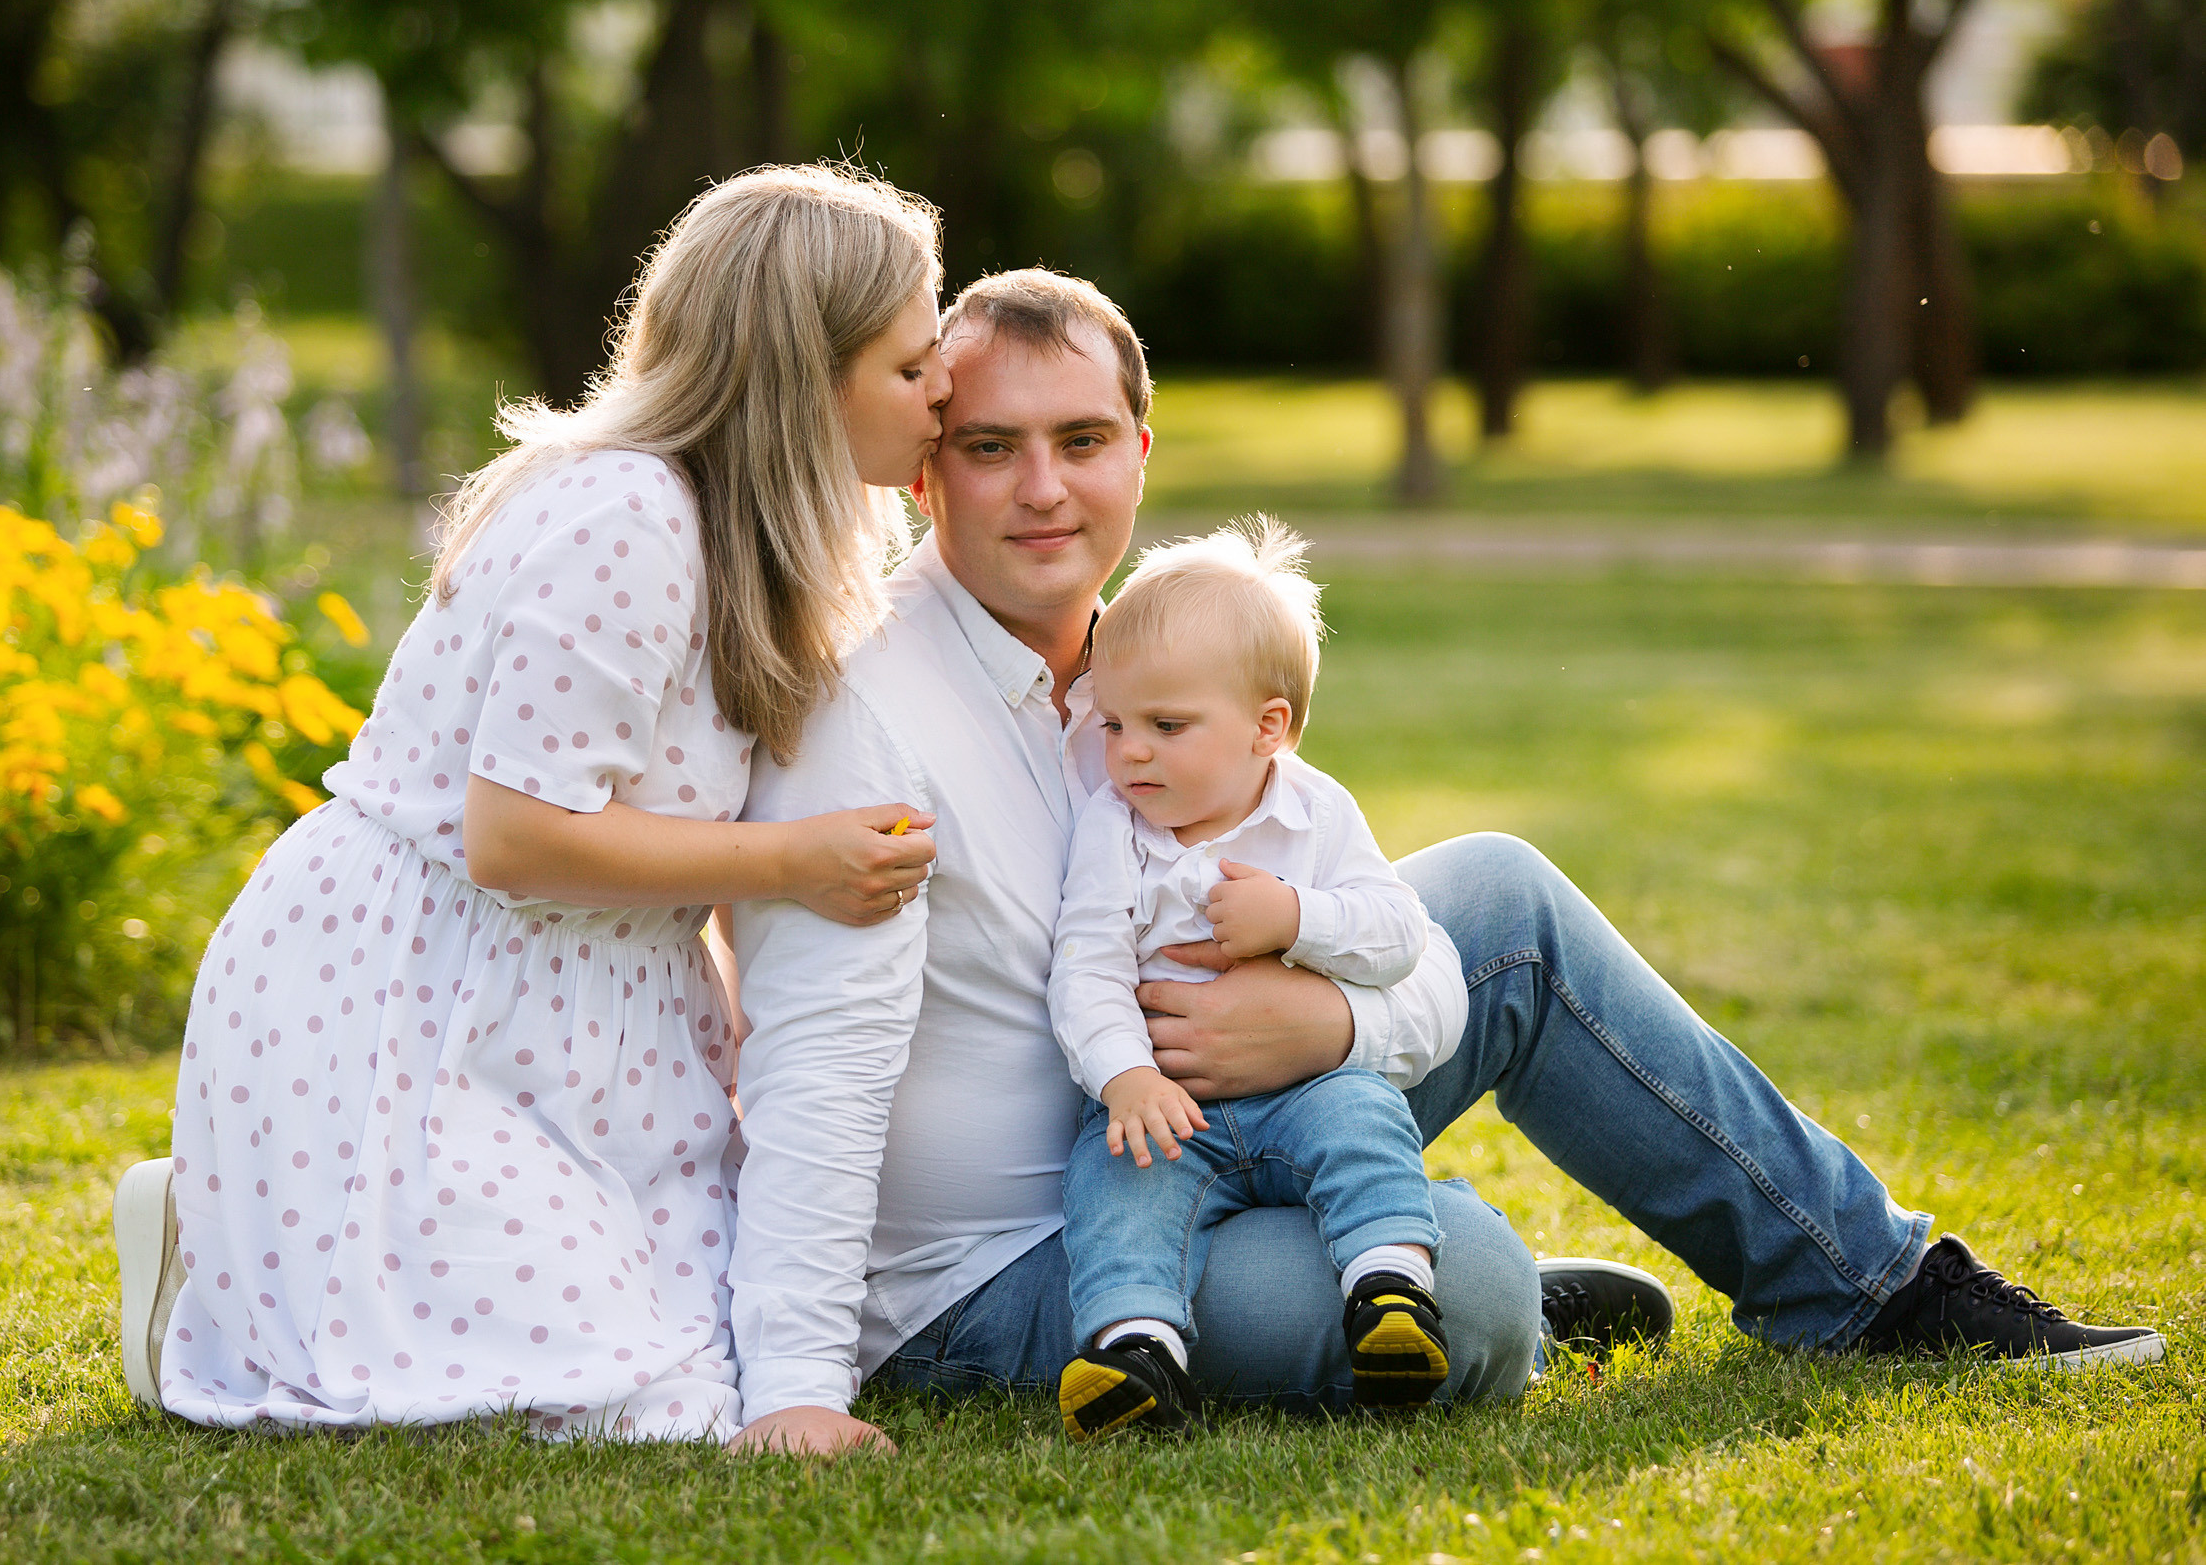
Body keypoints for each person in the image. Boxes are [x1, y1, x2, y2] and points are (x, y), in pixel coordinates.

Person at [723, 267, 2164, 1458]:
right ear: (926, 472)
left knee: (1501, 895)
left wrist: (1330, 1024)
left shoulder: (1154, 670)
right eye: (992, 447)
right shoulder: (868, 710)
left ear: (1140, 455)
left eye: (1083, 439)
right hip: (1012, 1257)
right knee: (1468, 1291)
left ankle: (1871, 1285)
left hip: (1237, 1119)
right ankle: (1463, 1277)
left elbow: (1398, 957)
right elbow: (810, 1058)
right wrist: (795, 1378)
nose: (1044, 488)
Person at [108, 164, 951, 1440]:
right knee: (610, 1404)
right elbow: (512, 837)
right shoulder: (630, 517)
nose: (942, 390)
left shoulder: (755, 543)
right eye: (911, 366)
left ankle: (254, 1220)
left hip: (596, 1023)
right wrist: (789, 861)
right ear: (802, 378)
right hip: (416, 998)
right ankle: (232, 1230)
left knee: (714, 1363)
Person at [1050, 519, 1463, 1439]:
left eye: (1166, 726)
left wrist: (1297, 918)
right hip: (1172, 1106)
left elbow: (1399, 932)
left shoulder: (1316, 812)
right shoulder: (1114, 829)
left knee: (1364, 1114)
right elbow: (1085, 967)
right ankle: (1136, 1347)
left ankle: (1390, 1292)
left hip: (1303, 1086)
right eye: (1114, 724)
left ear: (1267, 727)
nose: (1130, 752)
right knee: (1114, 1175)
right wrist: (1126, 1076)